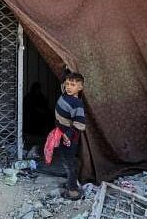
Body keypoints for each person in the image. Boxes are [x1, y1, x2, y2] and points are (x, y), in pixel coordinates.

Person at [55, 72, 86, 200]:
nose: (68, 87)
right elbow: (64, 83)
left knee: (69, 163)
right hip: (62, 134)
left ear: (80, 87)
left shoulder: (77, 104)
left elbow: (80, 124)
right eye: (67, 84)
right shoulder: (65, 94)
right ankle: (70, 182)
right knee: (65, 159)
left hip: (69, 138)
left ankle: (73, 191)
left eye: (72, 85)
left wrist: (67, 135)